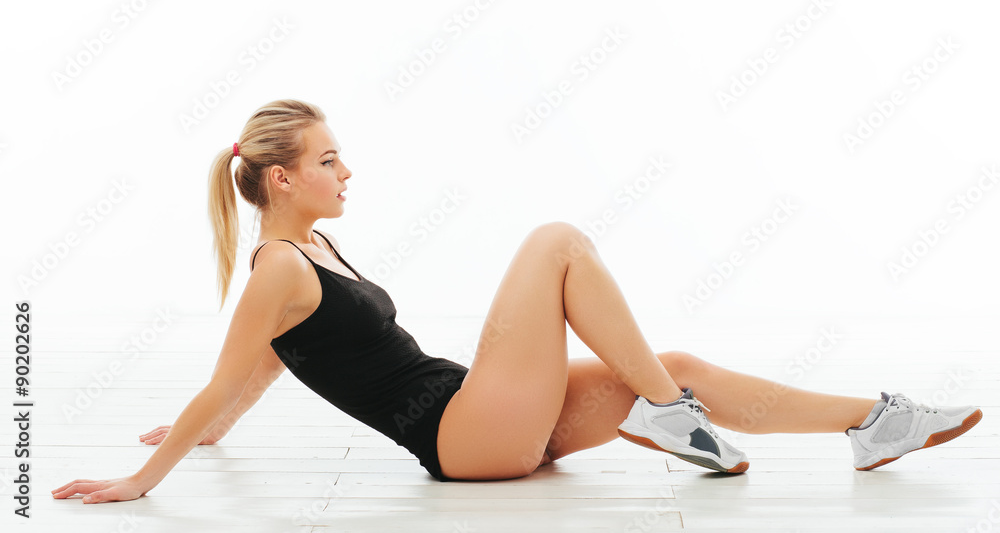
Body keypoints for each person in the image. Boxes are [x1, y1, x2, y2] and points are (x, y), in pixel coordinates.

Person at [52, 99, 983, 504]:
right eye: (329, 159)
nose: (347, 171)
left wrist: (211, 433)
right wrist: (145, 477)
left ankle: (874, 423)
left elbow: (265, 367)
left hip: (483, 420)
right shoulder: (279, 270)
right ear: (284, 179)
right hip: (462, 435)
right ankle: (668, 414)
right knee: (555, 242)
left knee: (677, 365)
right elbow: (225, 377)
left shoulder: (308, 253)